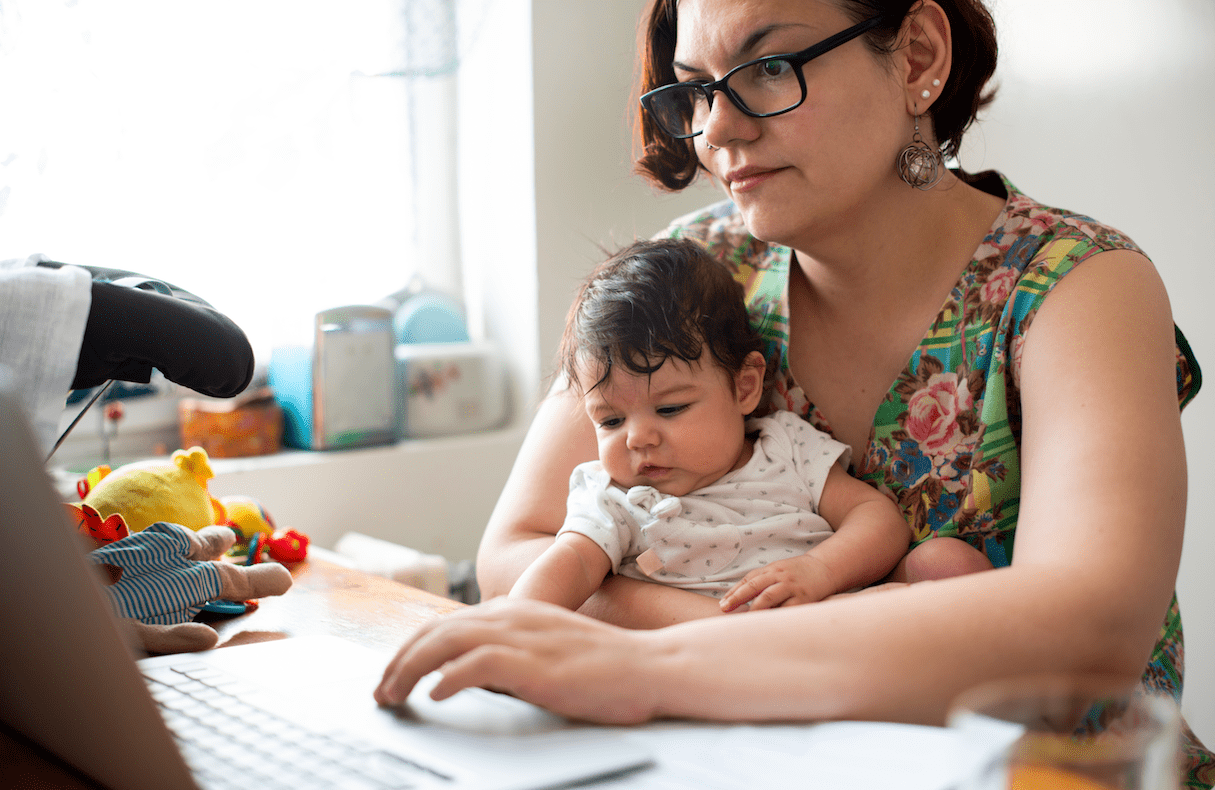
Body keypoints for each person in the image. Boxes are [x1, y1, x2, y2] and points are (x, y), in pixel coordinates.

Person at [377, 0, 1212, 785]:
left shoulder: (1077, 285)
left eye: (768, 66)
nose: (716, 129)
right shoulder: (699, 274)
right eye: (697, 89)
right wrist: (715, 638)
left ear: (917, 56)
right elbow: (515, 550)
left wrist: (645, 662)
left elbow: (1086, 630)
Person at [512, 238, 989, 614]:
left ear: (744, 388)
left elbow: (877, 519)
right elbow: (569, 563)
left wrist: (818, 570)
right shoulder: (614, 499)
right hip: (715, 650)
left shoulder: (785, 446)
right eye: (611, 420)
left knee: (945, 563)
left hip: (835, 612)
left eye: (671, 409)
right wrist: (511, 622)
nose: (637, 438)